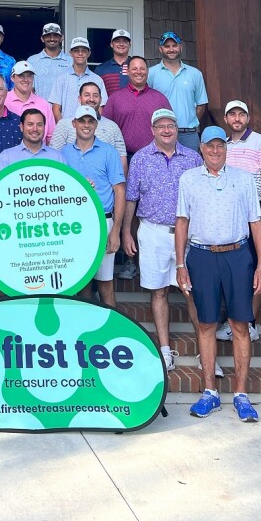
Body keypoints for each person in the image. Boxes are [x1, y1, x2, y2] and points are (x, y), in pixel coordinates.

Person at [175, 126, 261, 423]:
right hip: (201, 256)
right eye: (209, 146)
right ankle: (210, 393)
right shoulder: (188, 179)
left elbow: (256, 223)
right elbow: (181, 223)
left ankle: (241, 394)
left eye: (220, 146)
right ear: (201, 148)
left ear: (226, 148)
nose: (215, 151)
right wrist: (180, 264)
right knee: (206, 324)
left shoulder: (242, 180)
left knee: (240, 324)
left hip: (238, 255)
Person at [123, 108, 204, 373]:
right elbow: (131, 198)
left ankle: (205, 352)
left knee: (192, 292)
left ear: (177, 129)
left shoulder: (192, 158)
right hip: (153, 231)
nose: (166, 130)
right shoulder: (141, 159)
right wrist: (126, 232)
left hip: (187, 234)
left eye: (171, 125)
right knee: (158, 291)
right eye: (161, 126)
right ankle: (165, 350)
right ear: (152, 130)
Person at [218, 100, 261, 342]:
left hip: (252, 216)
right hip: (227, 217)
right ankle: (234, 322)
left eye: (241, 114)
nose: (237, 118)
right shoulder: (222, 146)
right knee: (233, 271)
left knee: (254, 269)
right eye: (232, 114)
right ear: (226, 119)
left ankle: (249, 322)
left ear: (248, 117)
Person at [61, 108, 125, 308]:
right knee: (81, 283)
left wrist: (115, 230)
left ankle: (112, 333)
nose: (86, 125)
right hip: (71, 224)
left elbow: (120, 191)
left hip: (102, 221)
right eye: (82, 121)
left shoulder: (109, 151)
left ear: (96, 124)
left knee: (105, 284)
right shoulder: (63, 153)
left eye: (91, 121)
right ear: (74, 123)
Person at [102, 56, 172, 161]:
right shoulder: (115, 98)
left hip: (155, 157)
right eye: (134, 69)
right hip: (123, 157)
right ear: (128, 72)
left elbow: (171, 128)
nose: (138, 72)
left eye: (142, 69)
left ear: (147, 72)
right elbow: (105, 128)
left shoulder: (160, 98)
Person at [147, 31, 208, 152]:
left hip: (188, 134)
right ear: (160, 49)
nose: (171, 49)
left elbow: (201, 104)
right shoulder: (150, 73)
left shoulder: (195, 74)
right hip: (161, 133)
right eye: (167, 46)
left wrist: (189, 121)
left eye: (174, 46)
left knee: (191, 169)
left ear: (181, 47)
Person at [50, 80, 127, 172]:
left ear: (101, 99)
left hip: (103, 184)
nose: (91, 99)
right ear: (79, 98)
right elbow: (54, 157)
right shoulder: (64, 124)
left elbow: (121, 161)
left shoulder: (113, 127)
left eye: (95, 96)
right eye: (87, 95)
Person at [49, 37, 107, 122]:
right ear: (71, 53)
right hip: (67, 129)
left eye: (84, 51)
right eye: (76, 51)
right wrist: (62, 127)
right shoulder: (61, 79)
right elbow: (56, 107)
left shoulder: (97, 80)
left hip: (89, 129)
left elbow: (100, 107)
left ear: (89, 53)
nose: (80, 53)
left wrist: (96, 126)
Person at [0, 108, 65, 171]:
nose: (35, 129)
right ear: (21, 127)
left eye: (39, 125)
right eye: (30, 124)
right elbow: (0, 184)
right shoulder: (6, 157)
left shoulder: (57, 157)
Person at [6, 60, 56, 142]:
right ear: (12, 78)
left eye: (29, 76)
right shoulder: (4, 101)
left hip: (38, 153)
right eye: (21, 76)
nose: (25, 80)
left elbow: (51, 137)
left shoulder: (43, 104)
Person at [26, 22, 72, 102]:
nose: (52, 39)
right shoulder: (32, 61)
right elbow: (29, 89)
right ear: (42, 38)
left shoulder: (70, 61)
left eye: (55, 36)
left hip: (63, 112)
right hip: (39, 111)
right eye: (48, 36)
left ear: (61, 38)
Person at [95, 29, 133, 96]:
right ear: (112, 44)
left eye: (125, 41)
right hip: (109, 106)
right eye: (117, 41)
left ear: (129, 45)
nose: (121, 44)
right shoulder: (101, 69)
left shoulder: (136, 67)